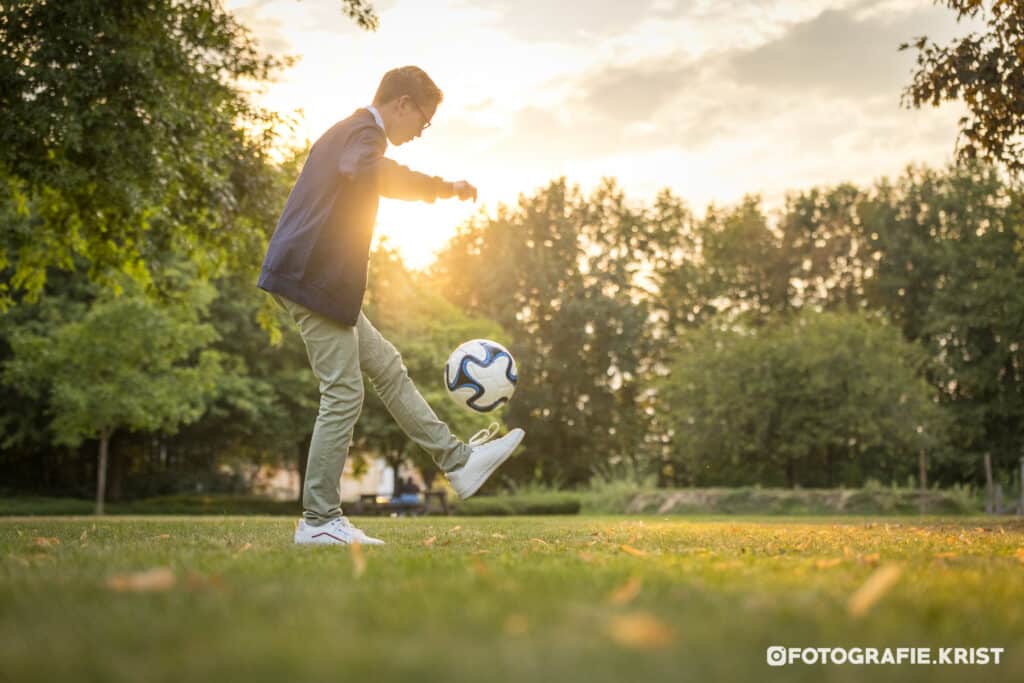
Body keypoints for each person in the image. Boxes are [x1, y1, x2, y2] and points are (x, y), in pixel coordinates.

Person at [258, 66, 524, 546]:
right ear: (401, 103)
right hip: (310, 281)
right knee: (343, 392)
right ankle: (319, 520)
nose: (420, 132)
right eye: (422, 120)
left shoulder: (352, 133)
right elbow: (366, 172)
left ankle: (457, 463)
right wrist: (443, 187)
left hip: (322, 284)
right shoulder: (361, 135)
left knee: (388, 367)